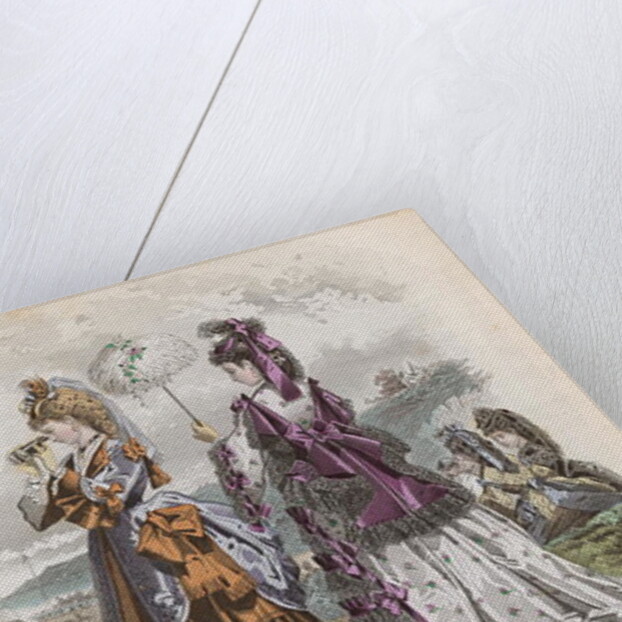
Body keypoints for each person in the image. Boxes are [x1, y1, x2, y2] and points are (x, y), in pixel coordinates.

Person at [194, 317, 622, 622]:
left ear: (252, 365)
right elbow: (343, 422)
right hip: (375, 470)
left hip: (339, 489)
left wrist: (215, 441)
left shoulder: (256, 407)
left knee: (389, 552)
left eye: (233, 371)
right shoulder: (308, 388)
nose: (234, 379)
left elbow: (248, 464)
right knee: (441, 531)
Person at [13, 376, 319, 622]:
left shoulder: (122, 449)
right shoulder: (73, 462)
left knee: (193, 601)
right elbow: (46, 517)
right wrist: (39, 472)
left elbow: (113, 498)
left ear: (71, 420)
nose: (50, 439)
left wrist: (58, 474)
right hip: (111, 546)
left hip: (148, 536)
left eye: (50, 430)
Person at [474, 407, 622, 543]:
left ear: (513, 431)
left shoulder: (534, 453)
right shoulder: (524, 454)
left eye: (501, 436)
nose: (500, 443)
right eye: (495, 440)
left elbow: (554, 479)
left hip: (566, 488)